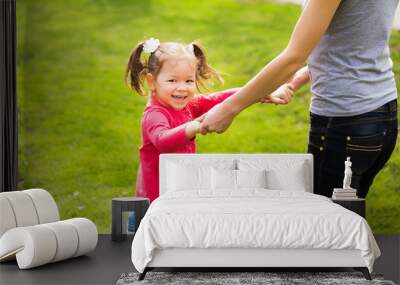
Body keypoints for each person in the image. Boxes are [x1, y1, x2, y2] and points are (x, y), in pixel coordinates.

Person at [199, 0, 399, 199]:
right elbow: (354, 40)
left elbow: (294, 57)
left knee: (325, 220)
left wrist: (228, 109)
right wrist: (294, 82)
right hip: (382, 116)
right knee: (350, 216)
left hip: (345, 122)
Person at [125, 38, 291, 202]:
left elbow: (217, 99)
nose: (182, 87)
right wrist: (193, 127)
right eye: (172, 80)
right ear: (151, 81)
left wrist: (257, 93)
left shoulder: (187, 105)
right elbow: (162, 140)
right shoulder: (154, 114)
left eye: (189, 80)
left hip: (178, 189)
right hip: (155, 199)